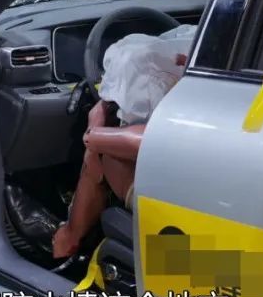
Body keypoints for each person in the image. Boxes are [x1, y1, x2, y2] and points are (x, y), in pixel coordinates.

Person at [52, 52, 189, 259]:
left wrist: (93, 133)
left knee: (110, 156)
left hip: (219, 264)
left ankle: (68, 241)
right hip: (233, 221)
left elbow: (155, 141)